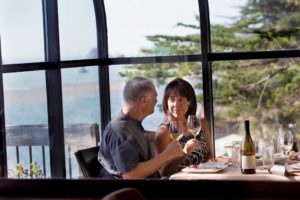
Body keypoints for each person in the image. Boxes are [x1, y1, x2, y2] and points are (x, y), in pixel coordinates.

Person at [98, 76, 185, 179]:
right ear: (143, 100)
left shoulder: (131, 124)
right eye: (155, 97)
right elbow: (131, 175)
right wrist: (167, 154)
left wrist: (159, 135)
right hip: (132, 193)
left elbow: (134, 139)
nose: (156, 101)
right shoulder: (120, 130)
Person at [154, 78, 211, 176]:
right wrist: (185, 153)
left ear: (189, 101)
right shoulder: (164, 131)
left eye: (181, 99)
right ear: (166, 103)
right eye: (172, 100)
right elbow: (163, 172)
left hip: (204, 179)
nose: (176, 104)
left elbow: (209, 154)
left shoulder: (201, 123)